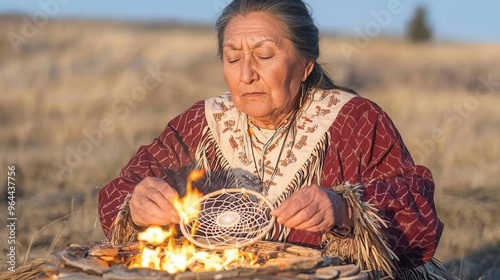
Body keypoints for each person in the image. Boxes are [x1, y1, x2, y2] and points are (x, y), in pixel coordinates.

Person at [98, 0, 455, 279]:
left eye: (265, 55)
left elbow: (417, 213)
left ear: (305, 65)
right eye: (232, 58)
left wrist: (344, 208)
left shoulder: (354, 121)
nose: (247, 74)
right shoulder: (200, 123)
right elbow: (121, 190)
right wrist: (137, 205)